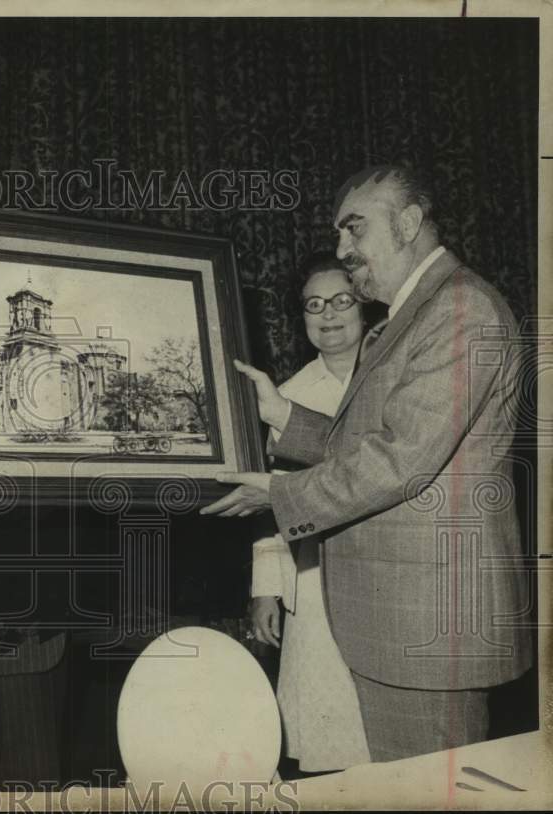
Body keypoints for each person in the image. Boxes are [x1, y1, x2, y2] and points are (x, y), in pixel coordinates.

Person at [203, 165, 532, 762]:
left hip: (432, 633)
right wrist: (283, 414)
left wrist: (280, 494)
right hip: (401, 626)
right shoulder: (410, 318)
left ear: (407, 223)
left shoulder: (459, 309)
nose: (341, 249)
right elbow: (369, 441)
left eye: (354, 229)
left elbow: (400, 458)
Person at [249, 254, 370, 772]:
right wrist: (264, 589)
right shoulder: (288, 397)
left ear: (365, 305)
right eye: (313, 305)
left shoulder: (397, 378)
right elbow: (273, 498)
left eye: (342, 300)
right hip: (315, 579)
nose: (329, 314)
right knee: (330, 737)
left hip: (391, 574)